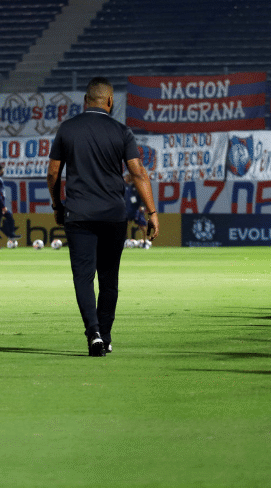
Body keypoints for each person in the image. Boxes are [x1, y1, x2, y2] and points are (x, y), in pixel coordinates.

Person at [46, 77, 157, 357]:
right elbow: (138, 173)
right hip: (113, 215)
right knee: (109, 279)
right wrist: (151, 212)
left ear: (85, 101)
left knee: (83, 277)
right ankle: (105, 337)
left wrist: (57, 205)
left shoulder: (67, 129)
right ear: (110, 101)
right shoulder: (122, 131)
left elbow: (52, 173)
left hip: (79, 214)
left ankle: (93, 333)